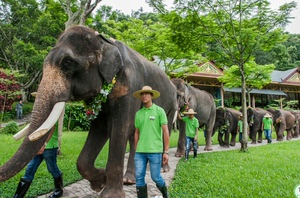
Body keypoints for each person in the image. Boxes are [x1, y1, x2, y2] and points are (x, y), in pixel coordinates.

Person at [133, 86, 169, 198]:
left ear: (151, 96)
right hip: (140, 152)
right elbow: (137, 132)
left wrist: (166, 151)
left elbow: (165, 131)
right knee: (139, 178)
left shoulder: (159, 111)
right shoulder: (138, 114)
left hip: (155, 151)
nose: (144, 96)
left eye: (147, 94)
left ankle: (165, 194)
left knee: (156, 177)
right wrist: (136, 147)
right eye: (142, 94)